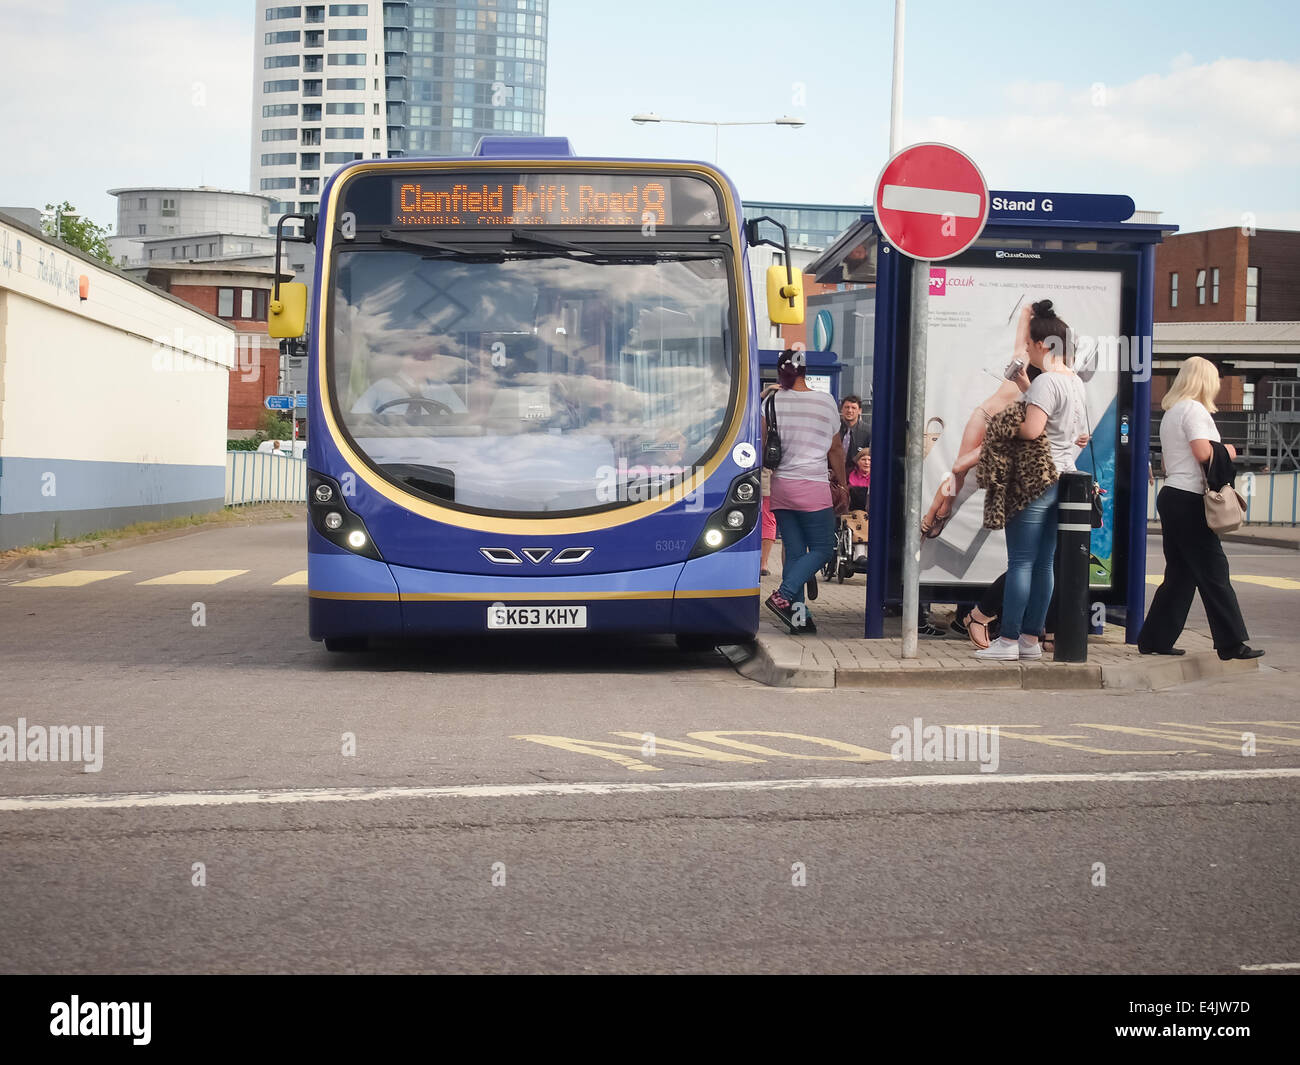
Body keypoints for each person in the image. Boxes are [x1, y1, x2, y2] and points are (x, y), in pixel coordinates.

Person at [976, 300, 1086, 661]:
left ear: (1043, 345)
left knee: (1021, 562)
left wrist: (1004, 420)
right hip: (1062, 478)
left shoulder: (1048, 382)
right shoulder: (1074, 384)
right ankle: (1029, 640)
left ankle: (1006, 641)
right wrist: (1026, 389)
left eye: (1029, 346)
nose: (1025, 351)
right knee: (1043, 564)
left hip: (1033, 481)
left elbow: (1032, 429)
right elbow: (1075, 435)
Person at [1138, 357, 1263, 661]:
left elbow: (1169, 462)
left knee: (1180, 573)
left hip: (1172, 494)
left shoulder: (1172, 412)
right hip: (1190, 498)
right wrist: (1229, 451)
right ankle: (1231, 643)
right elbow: (1202, 452)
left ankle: (1154, 639)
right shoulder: (1194, 409)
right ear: (1205, 382)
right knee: (1214, 571)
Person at [921, 306, 1037, 539]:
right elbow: (1023, 318)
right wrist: (1029, 312)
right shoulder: (1022, 359)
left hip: (1002, 431)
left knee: (959, 467)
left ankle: (937, 511)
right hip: (983, 414)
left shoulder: (1044, 380)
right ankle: (940, 510)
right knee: (957, 469)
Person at [762, 350, 846, 634]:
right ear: (805, 371)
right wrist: (844, 485)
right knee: (823, 548)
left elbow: (764, 443)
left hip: (782, 485)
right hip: (812, 485)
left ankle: (798, 620)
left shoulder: (772, 402)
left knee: (796, 554)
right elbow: (835, 449)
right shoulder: (825, 401)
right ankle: (782, 595)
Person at [839, 394, 870, 466]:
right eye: (847, 407)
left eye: (853, 408)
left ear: (860, 411)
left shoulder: (868, 432)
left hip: (857, 473)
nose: (849, 410)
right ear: (841, 409)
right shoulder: (834, 429)